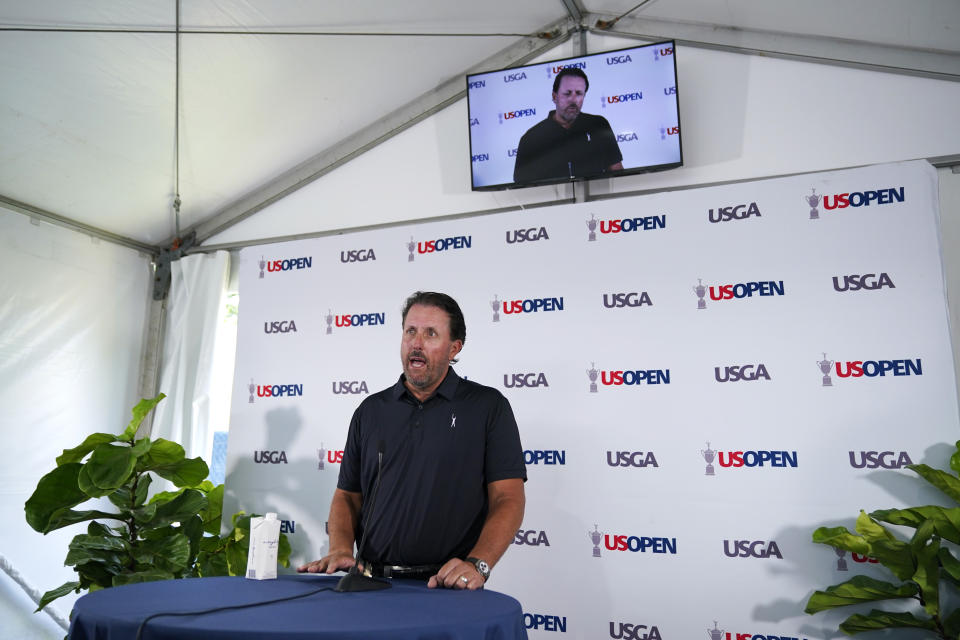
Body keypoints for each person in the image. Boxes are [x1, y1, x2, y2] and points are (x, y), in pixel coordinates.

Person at [297, 291, 526, 590]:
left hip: (443, 586)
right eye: (410, 332)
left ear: (454, 347)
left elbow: (508, 498)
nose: (417, 343)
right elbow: (347, 496)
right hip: (370, 584)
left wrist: (478, 564)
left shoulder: (488, 407)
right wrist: (340, 548)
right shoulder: (370, 411)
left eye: (431, 334)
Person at [513, 67, 624, 185]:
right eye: (567, 93)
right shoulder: (531, 139)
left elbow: (617, 172)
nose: (573, 99)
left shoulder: (599, 125)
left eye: (579, 93)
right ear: (554, 97)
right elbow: (522, 188)